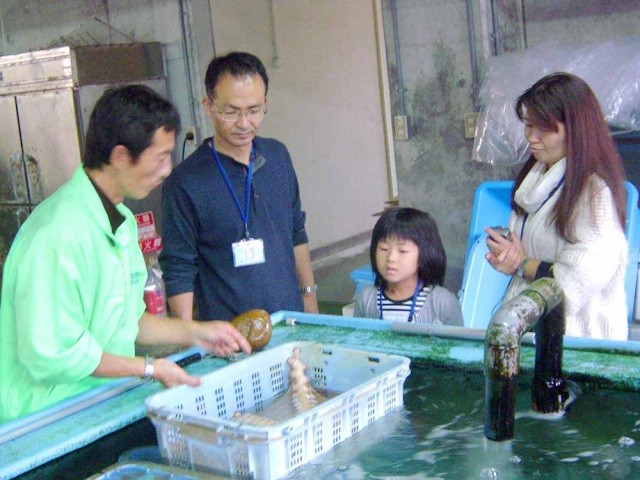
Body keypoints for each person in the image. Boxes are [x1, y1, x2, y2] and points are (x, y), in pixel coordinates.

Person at [0, 85, 251, 423]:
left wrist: (196, 332)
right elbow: (53, 356)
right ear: (120, 157)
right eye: (160, 157)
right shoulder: (57, 234)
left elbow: (128, 323)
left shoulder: (122, 222)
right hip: (44, 422)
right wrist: (149, 367)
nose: (167, 170)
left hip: (95, 405)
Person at [159, 51, 318, 320]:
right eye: (230, 112)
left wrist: (310, 299)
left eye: (254, 110)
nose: (244, 124)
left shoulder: (278, 157)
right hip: (228, 337)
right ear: (207, 106)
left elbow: (296, 232)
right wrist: (189, 336)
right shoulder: (185, 182)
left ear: (265, 103)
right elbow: (179, 267)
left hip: (292, 321)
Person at [485, 72, 628, 340]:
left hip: (577, 345)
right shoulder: (536, 178)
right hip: (534, 330)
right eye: (528, 125)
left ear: (575, 129)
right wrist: (510, 254)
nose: (532, 137)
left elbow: (572, 285)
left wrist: (522, 263)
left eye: (545, 128)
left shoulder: (594, 193)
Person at [354, 208, 463, 325]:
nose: (390, 258)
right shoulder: (366, 300)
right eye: (383, 249)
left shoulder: (443, 303)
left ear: (425, 254)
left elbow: (460, 343)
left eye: (402, 250)